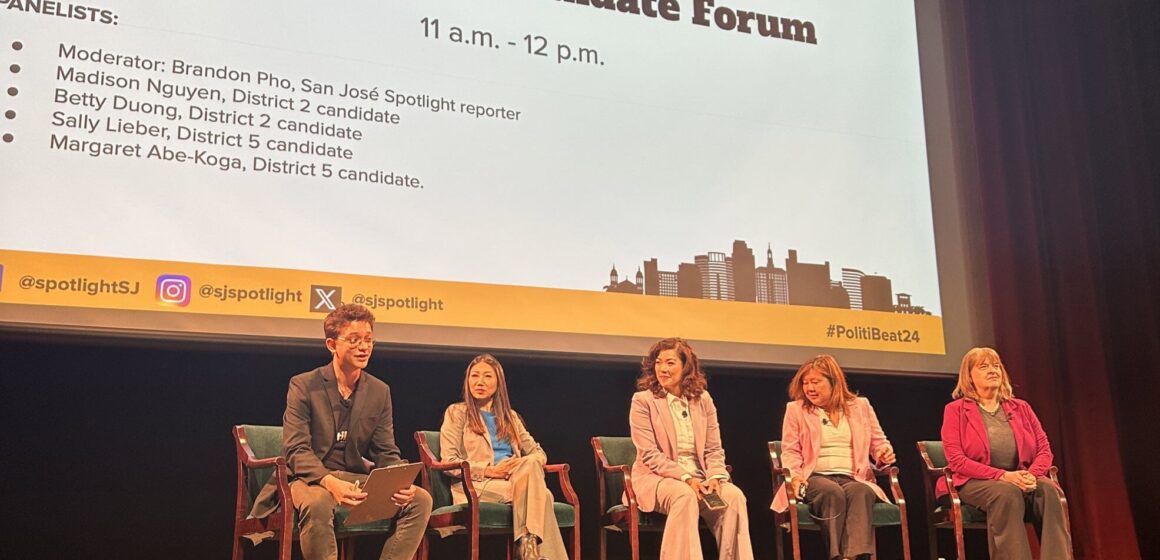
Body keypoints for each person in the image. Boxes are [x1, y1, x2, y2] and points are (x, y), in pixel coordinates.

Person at [248, 303, 432, 560]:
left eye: (368, 339)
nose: (364, 347)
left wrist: (399, 480)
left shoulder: (379, 391)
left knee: (419, 500)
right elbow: (296, 449)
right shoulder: (304, 385)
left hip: (352, 477)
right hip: (307, 479)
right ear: (332, 345)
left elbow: (385, 450)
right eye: (354, 340)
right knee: (318, 501)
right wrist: (328, 481)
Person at [939, 347, 1072, 560]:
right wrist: (1002, 475)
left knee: (1049, 491)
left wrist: (1032, 474)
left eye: (996, 366)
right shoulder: (955, 410)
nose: (993, 371)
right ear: (969, 377)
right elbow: (956, 460)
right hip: (976, 481)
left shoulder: (1021, 407)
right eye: (984, 367)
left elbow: (1044, 449)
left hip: (1020, 477)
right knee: (1006, 493)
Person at [627, 338, 754, 560]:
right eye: (658, 363)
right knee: (684, 495)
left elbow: (714, 449)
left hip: (701, 478)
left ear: (686, 367)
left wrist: (715, 476)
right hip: (658, 478)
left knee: (734, 496)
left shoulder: (702, 399)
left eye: (670, 363)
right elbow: (650, 455)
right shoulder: (643, 401)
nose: (663, 369)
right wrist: (686, 478)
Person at [439, 354, 567, 560]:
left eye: (487, 376)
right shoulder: (456, 413)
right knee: (545, 496)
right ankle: (529, 551)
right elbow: (448, 462)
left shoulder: (510, 417)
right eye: (475, 376)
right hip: (478, 485)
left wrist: (522, 463)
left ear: (499, 383)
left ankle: (528, 549)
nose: (480, 382)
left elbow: (538, 453)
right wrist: (489, 469)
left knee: (531, 463)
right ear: (467, 380)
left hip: (515, 481)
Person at [772, 355, 896, 560]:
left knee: (862, 492)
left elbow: (878, 442)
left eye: (815, 382)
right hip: (814, 477)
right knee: (832, 492)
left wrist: (884, 452)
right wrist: (794, 476)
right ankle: (836, 556)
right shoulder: (796, 410)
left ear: (833, 382)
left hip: (853, 476)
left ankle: (852, 557)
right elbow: (790, 450)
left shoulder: (861, 406)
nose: (809, 388)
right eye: (805, 383)